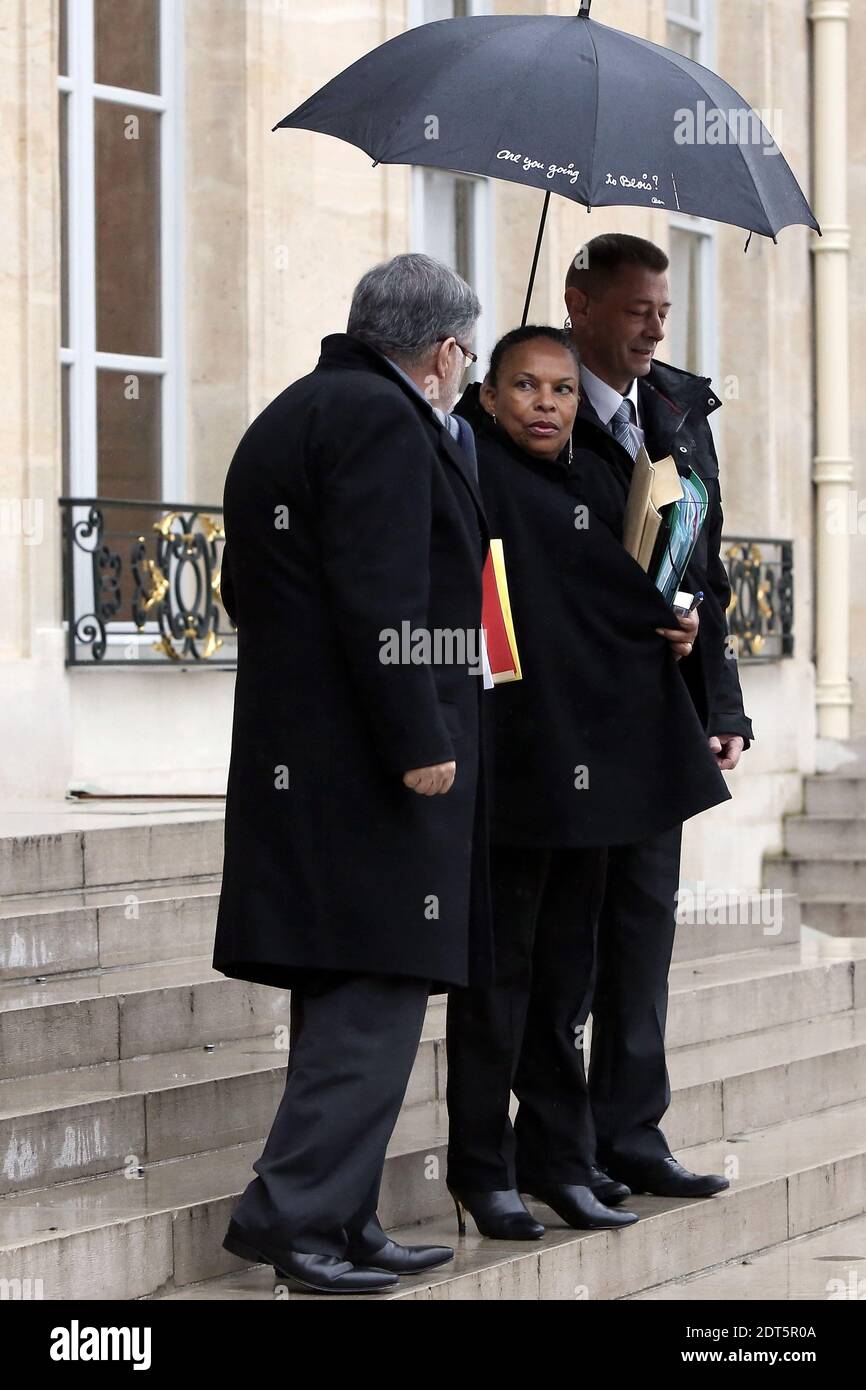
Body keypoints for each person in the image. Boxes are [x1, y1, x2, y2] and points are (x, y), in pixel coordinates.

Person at [212, 253, 492, 1294]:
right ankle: (291, 1219)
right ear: (441, 350)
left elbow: (253, 591)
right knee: (373, 987)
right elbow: (384, 600)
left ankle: (347, 1213)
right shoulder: (382, 420)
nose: (465, 371)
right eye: (465, 352)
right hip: (372, 766)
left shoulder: (299, 408)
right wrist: (418, 737)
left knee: (346, 988)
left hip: (311, 758)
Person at [446, 326, 729, 1239]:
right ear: (488, 396)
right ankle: (482, 1170)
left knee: (568, 982)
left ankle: (561, 1160)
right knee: (499, 983)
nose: (546, 404)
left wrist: (675, 625)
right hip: (510, 769)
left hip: (596, 769)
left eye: (562, 390)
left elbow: (643, 588)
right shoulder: (467, 473)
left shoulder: (605, 476)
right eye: (524, 387)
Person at [565, 233, 754, 1197]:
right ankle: (555, 1148)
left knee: (644, 930)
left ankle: (632, 1133)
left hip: (658, 718)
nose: (652, 327)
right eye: (636, 309)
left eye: (663, 311)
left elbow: (702, 564)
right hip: (564, 725)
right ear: (580, 303)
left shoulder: (679, 409)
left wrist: (719, 700)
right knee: (566, 945)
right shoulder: (536, 407)